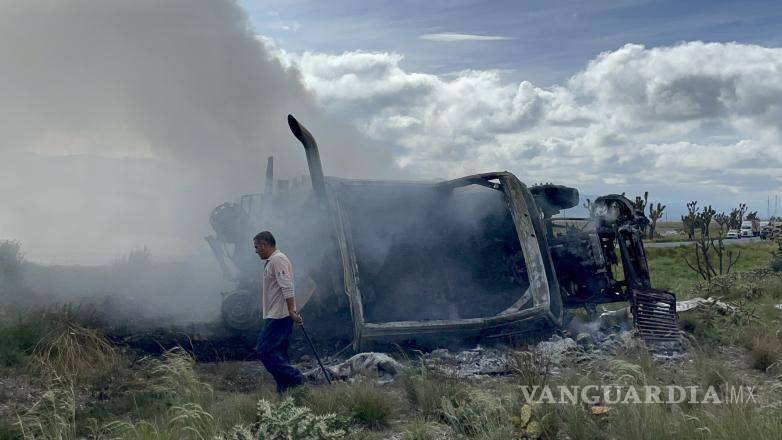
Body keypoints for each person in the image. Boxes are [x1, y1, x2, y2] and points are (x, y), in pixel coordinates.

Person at [253, 230, 304, 393]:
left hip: (279, 316)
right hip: (278, 314)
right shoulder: (273, 260)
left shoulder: (278, 260)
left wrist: (291, 311)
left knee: (264, 351)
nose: (256, 251)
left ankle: (296, 377)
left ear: (265, 245)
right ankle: (286, 391)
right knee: (279, 353)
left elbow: (287, 286)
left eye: (257, 247)